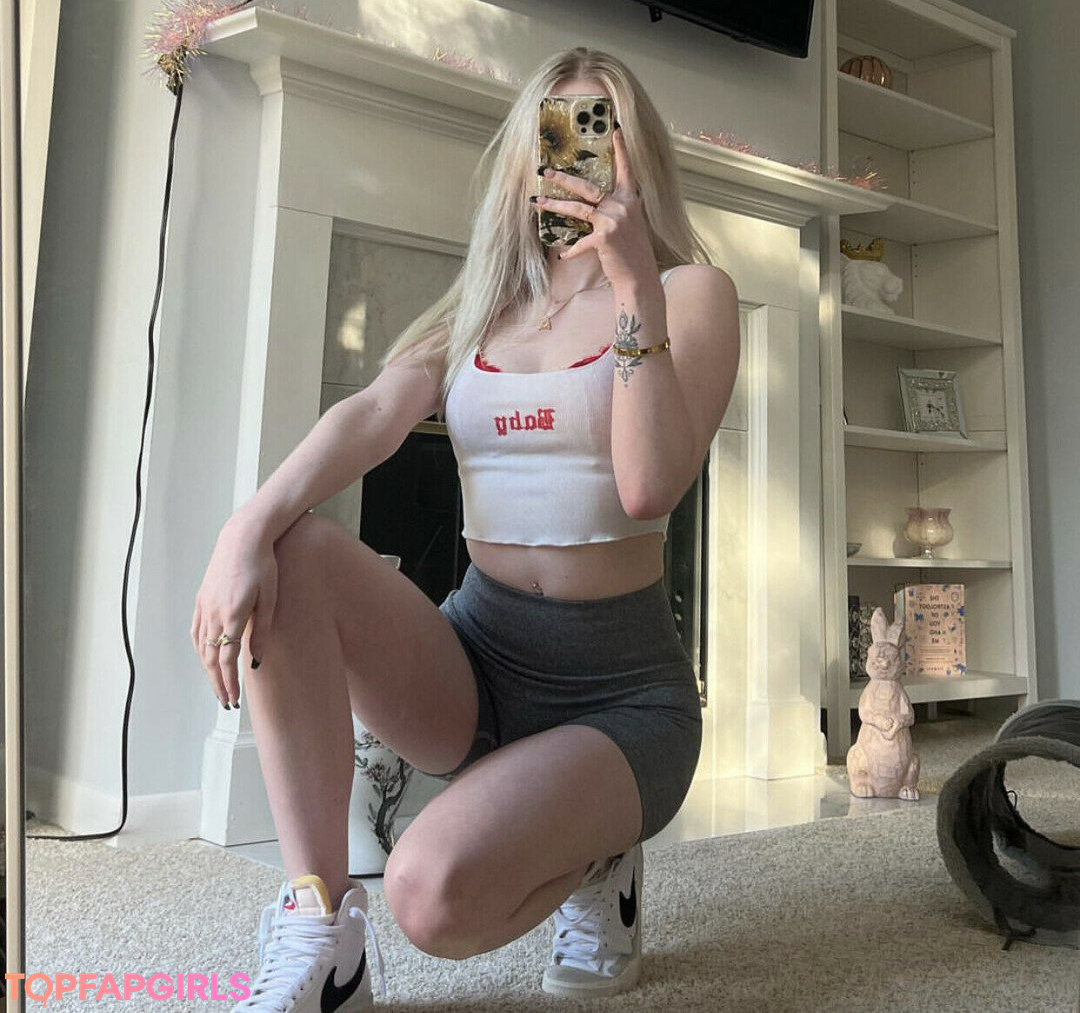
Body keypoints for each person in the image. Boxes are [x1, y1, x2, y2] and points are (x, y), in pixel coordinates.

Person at [193, 45, 739, 1013]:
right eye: (555, 132)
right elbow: (372, 413)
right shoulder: (486, 306)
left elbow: (649, 487)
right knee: (290, 547)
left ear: (638, 153)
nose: (577, 154)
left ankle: (598, 856)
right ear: (527, 156)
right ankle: (322, 931)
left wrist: (632, 289)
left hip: (622, 698)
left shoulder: (689, 292)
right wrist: (247, 525)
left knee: (429, 895)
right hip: (476, 663)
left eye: (599, 129)